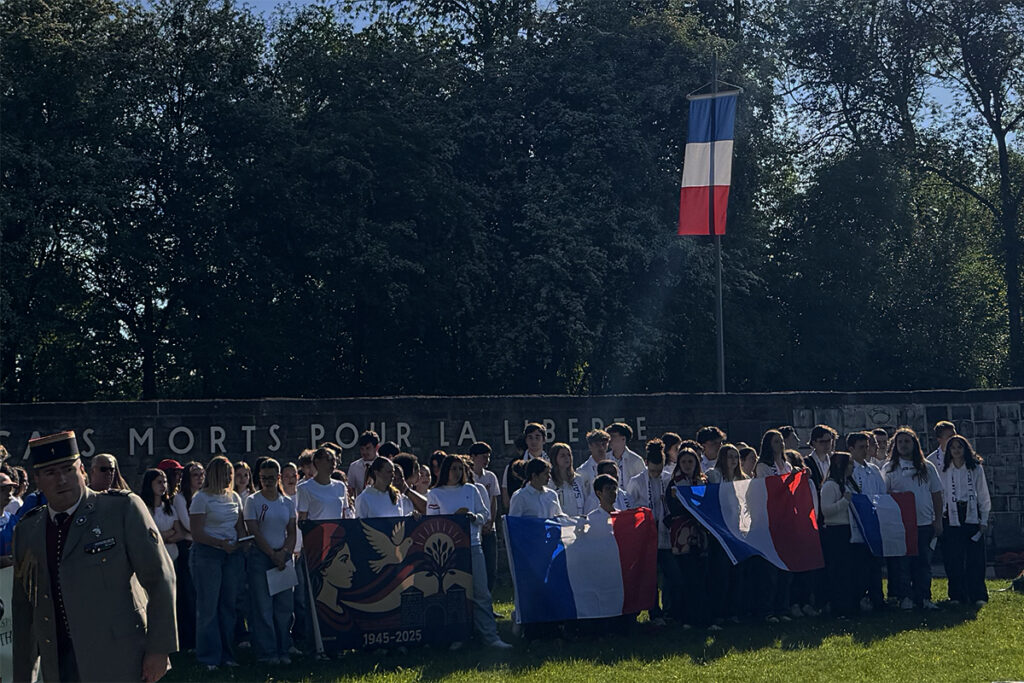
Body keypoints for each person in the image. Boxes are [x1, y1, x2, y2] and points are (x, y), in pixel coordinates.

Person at [12, 431, 177, 683]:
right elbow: (24, 608)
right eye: (51, 473)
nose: (62, 479)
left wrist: (159, 649)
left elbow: (160, 578)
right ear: (37, 480)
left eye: (68, 469)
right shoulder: (28, 530)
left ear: (83, 470)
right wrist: (23, 675)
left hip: (119, 657)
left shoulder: (121, 510)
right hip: (60, 661)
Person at [427, 455, 512, 649]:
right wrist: (452, 519)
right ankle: (458, 635)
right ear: (445, 471)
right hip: (449, 549)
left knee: (481, 592)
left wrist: (473, 517)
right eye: (453, 469)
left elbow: (485, 515)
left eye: (460, 469)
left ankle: (490, 636)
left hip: (473, 545)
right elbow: (432, 522)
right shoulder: (435, 493)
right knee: (454, 594)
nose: (457, 473)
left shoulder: (471, 490)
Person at [190, 455, 248, 670]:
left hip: (232, 555)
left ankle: (227, 654)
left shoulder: (234, 497)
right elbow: (196, 533)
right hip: (208, 554)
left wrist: (243, 543)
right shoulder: (201, 498)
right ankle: (209, 656)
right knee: (208, 607)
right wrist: (220, 543)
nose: (228, 479)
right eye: (225, 475)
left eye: (230, 475)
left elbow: (240, 526)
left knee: (228, 606)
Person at [882, 427, 943, 610]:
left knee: (923, 562)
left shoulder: (927, 467)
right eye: (899, 442)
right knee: (902, 563)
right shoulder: (889, 468)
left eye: (907, 441)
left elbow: (937, 494)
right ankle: (905, 597)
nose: (903, 445)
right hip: (900, 525)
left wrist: (938, 519)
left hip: (924, 523)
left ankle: (924, 597)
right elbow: (884, 496)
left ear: (914, 444)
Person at [244, 459, 298, 665]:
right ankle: (267, 653)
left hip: (284, 558)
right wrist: (271, 554)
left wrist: (285, 553)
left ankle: (283, 649)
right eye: (263, 478)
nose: (267, 481)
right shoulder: (253, 500)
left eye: (271, 477)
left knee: (284, 608)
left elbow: (292, 531)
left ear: (278, 478)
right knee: (263, 608)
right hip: (261, 557)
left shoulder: (287, 502)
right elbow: (253, 530)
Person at [626, 440, 677, 625]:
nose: (656, 474)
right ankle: (655, 612)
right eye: (653, 470)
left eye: (659, 470)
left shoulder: (667, 478)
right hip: (647, 534)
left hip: (666, 533)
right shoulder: (637, 481)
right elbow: (630, 507)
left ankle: (670, 610)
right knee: (651, 576)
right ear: (646, 464)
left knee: (670, 574)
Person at [663, 448, 712, 628]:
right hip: (682, 535)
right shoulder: (674, 484)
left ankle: (703, 617)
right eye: (683, 462)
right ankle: (686, 618)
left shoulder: (703, 481)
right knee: (687, 577)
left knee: (702, 576)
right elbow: (673, 508)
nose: (687, 465)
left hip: (701, 535)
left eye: (690, 462)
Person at [939, 435, 991, 607]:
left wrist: (983, 520)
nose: (956, 450)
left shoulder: (975, 468)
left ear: (965, 448)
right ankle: (957, 595)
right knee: (953, 557)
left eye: (959, 447)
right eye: (953, 447)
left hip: (971, 512)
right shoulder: (944, 469)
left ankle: (978, 594)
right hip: (951, 515)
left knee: (975, 557)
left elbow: (983, 494)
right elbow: (941, 494)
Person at [752, 430, 792, 622]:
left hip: (786, 522)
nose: (781, 444)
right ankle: (766, 610)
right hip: (768, 522)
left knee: (785, 568)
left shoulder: (788, 465)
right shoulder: (763, 466)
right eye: (776, 441)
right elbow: (768, 489)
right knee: (770, 571)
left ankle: (782, 608)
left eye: (782, 441)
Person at [846, 432, 886, 611]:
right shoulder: (848, 470)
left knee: (875, 566)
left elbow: (882, 494)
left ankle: (877, 599)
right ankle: (859, 599)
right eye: (861, 447)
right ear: (851, 449)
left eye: (866, 446)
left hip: (874, 522)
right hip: (856, 523)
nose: (865, 450)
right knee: (858, 567)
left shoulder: (874, 469)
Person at [819, 452, 858, 617]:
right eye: (849, 464)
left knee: (848, 570)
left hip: (849, 529)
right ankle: (837, 606)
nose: (852, 467)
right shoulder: (830, 485)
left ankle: (849, 603)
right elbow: (826, 511)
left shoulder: (848, 483)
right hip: (835, 531)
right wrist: (844, 501)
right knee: (838, 570)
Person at [467, 442, 500, 592]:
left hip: (488, 526)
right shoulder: (467, 476)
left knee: (490, 565)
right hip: (473, 527)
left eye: (488, 457)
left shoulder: (491, 477)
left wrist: (490, 522)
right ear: (473, 457)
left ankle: (489, 597)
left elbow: (493, 501)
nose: (486, 460)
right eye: (483, 457)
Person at [297, 443, 354, 523]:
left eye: (334, 460)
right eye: (328, 459)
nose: (333, 463)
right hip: (316, 534)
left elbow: (344, 516)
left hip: (337, 534)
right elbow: (302, 520)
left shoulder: (340, 486)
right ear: (317, 462)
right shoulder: (304, 488)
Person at [140, 468, 187, 564]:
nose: (163, 486)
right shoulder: (143, 508)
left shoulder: (169, 508)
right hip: (153, 559)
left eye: (165, 482)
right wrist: (169, 532)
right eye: (159, 482)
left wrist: (164, 538)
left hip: (172, 557)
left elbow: (180, 533)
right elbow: (147, 537)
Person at [501, 423, 548, 510]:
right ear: (526, 440)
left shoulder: (552, 463)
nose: (534, 441)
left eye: (537, 437)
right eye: (530, 437)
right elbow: (506, 493)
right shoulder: (513, 466)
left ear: (544, 440)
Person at [548, 442, 586, 517]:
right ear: (555, 458)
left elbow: (585, 502)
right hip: (560, 523)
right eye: (562, 455)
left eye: (569, 455)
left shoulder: (578, 479)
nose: (567, 458)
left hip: (577, 523)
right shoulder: (550, 481)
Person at [347, 430, 381, 496]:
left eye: (368, 448)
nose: (364, 452)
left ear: (376, 447)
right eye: (362, 449)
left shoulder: (384, 465)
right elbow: (350, 489)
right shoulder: (354, 466)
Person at [804, 425, 837, 490]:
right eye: (822, 442)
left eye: (829, 441)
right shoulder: (807, 462)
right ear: (814, 443)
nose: (826, 445)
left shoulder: (834, 460)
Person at [577, 429, 610, 493]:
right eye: (597, 444)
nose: (601, 448)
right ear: (590, 446)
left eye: (604, 444)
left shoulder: (614, 467)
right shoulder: (582, 471)